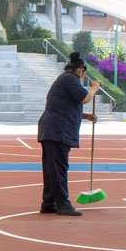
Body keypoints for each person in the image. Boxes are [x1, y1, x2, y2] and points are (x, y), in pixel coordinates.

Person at [37, 52, 100, 216]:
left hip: (53, 129)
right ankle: (63, 204)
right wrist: (94, 88)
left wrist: (85, 116)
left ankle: (49, 203)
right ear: (81, 70)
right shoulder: (70, 79)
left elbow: (65, 107)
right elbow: (84, 98)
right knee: (58, 168)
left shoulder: (65, 79)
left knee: (52, 169)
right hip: (57, 130)